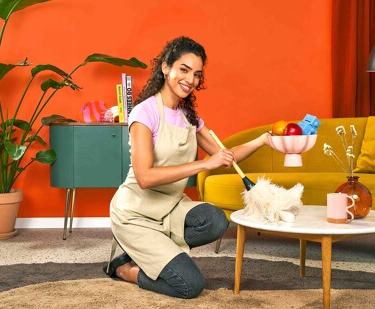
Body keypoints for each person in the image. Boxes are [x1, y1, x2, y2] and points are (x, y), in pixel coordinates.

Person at [104, 36, 270, 299]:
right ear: (166, 68)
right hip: (135, 213)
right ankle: (123, 268)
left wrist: (264, 140)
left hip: (170, 207)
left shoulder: (189, 117)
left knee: (216, 220)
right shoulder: (144, 114)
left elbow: (224, 156)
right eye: (184, 70)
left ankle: (150, 250)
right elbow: (145, 177)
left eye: (196, 74)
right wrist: (204, 164)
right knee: (189, 285)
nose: (190, 80)